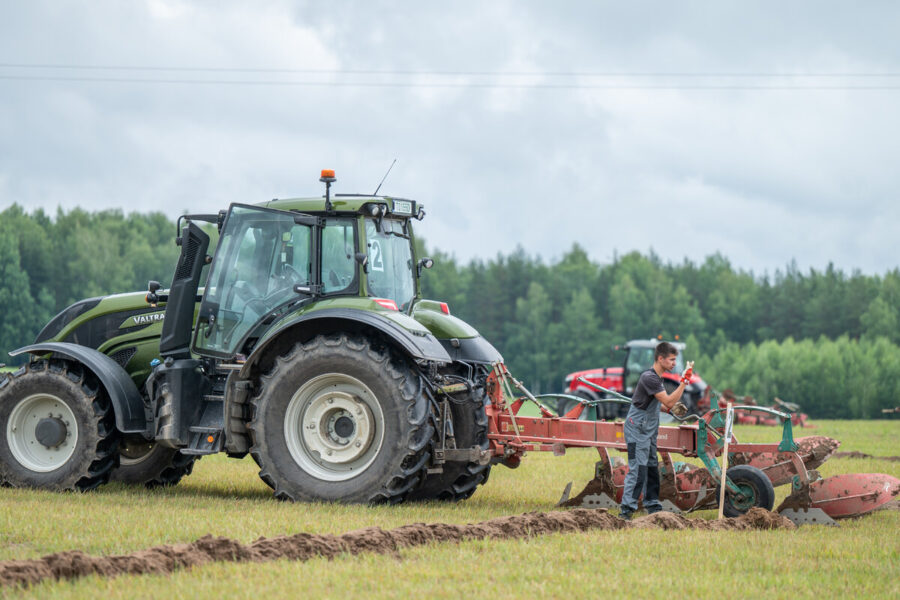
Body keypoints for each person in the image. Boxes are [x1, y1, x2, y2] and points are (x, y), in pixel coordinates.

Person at [618, 341, 691, 520]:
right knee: (638, 470)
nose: (674, 363)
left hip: (648, 430)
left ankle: (652, 505)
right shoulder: (649, 377)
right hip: (638, 430)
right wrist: (684, 381)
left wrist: (669, 410)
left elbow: (657, 404)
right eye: (672, 360)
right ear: (660, 359)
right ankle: (626, 511)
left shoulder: (656, 378)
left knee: (651, 467)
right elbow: (668, 401)